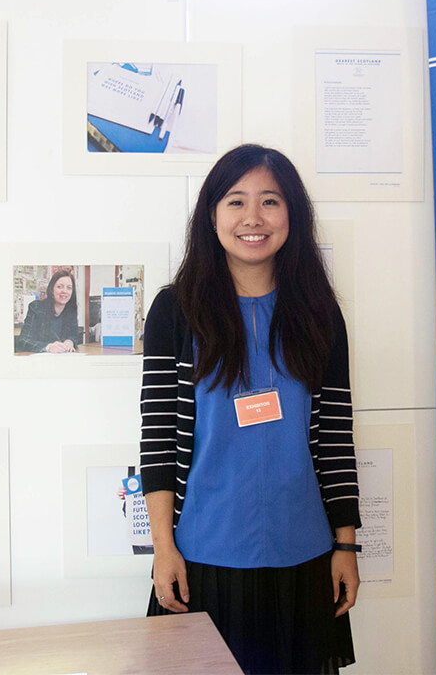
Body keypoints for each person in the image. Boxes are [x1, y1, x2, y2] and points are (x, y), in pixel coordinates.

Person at [139, 144, 360, 674]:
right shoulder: (176, 310)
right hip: (204, 557)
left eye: (271, 202)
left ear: (293, 216)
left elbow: (335, 437)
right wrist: (164, 549)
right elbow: (158, 435)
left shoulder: (320, 314)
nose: (253, 218)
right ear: (212, 214)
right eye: (236, 201)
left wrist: (346, 546)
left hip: (303, 557)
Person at [14, 269, 83, 353]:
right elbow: (23, 341)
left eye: (69, 288)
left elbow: (73, 336)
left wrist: (70, 342)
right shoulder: (36, 308)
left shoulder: (71, 311)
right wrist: (47, 347)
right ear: (52, 290)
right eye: (59, 287)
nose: (64, 291)